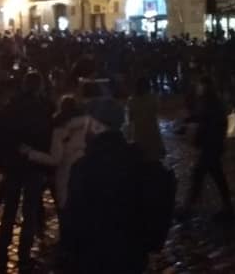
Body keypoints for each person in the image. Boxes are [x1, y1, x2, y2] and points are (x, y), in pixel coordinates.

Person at [64, 96, 174, 274]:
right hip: (132, 257)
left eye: (87, 123)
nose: (85, 128)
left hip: (94, 259)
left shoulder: (84, 168)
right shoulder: (139, 161)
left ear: (96, 126)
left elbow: (74, 219)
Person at [0, 71, 53, 272]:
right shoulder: (44, 109)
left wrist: (2, 164)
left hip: (12, 166)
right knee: (30, 211)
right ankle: (24, 254)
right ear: (40, 87)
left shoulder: (10, 108)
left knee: (9, 210)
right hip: (34, 166)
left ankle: (1, 250)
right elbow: (48, 139)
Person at [180, 75, 234, 222]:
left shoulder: (211, 103)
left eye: (200, 85)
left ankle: (187, 208)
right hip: (212, 146)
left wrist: (198, 133)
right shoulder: (209, 102)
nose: (198, 88)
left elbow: (210, 123)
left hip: (211, 146)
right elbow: (203, 118)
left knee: (198, 175)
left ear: (205, 87)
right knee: (216, 177)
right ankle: (228, 207)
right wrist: (190, 120)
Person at [125, 76, 165, 162]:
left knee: (142, 155)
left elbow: (130, 118)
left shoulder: (132, 100)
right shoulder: (153, 98)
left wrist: (129, 134)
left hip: (139, 130)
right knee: (153, 155)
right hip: (151, 129)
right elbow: (157, 110)